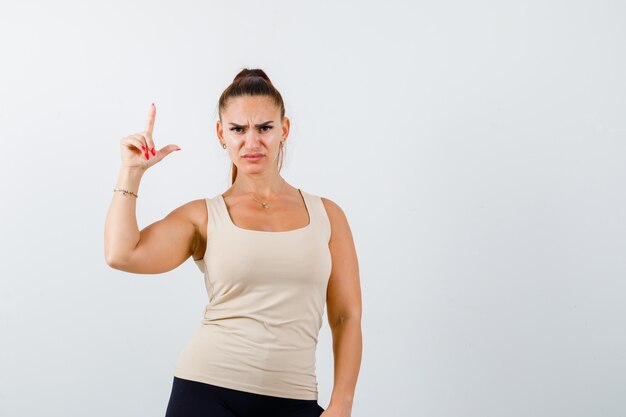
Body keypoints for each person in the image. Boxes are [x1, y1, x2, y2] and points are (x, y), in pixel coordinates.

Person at [104, 68, 362, 417]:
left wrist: (341, 404)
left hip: (295, 398)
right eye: (238, 129)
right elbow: (122, 254)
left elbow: (346, 316)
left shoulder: (328, 215)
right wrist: (131, 171)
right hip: (207, 394)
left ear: (283, 130)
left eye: (264, 128)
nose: (251, 142)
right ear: (220, 133)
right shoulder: (204, 216)